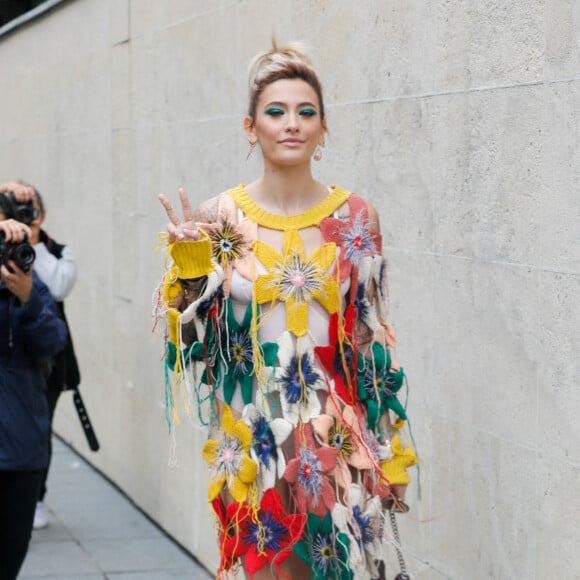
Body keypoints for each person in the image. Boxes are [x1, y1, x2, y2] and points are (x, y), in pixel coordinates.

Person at [155, 40, 417, 579]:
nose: (291, 124)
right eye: (275, 112)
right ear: (251, 128)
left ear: (323, 129)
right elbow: (188, 345)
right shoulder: (219, 216)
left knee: (334, 570)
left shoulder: (357, 215)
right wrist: (187, 272)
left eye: (306, 112)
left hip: (336, 438)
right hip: (252, 436)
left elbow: (370, 345)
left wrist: (389, 452)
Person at [0, 181, 80, 530]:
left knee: (39, 425)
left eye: (30, 211)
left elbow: (56, 296)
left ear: (42, 216)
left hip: (39, 369)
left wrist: (29, 285)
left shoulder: (50, 253)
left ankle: (37, 497)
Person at [0, 208, 68, 579]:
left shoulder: (24, 279)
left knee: (11, 555)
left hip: (22, 446)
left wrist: (28, 299)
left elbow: (52, 342)